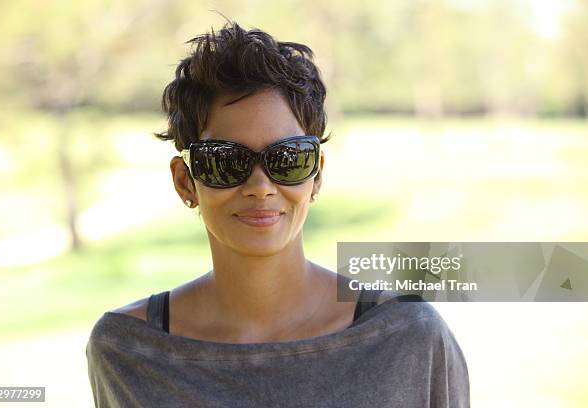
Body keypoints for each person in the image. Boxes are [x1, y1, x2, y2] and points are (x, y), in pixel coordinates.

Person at [85, 19, 470, 407]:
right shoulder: (127, 352)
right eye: (226, 161)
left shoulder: (409, 338)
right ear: (185, 182)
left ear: (316, 175)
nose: (261, 186)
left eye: (288, 159)